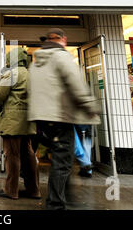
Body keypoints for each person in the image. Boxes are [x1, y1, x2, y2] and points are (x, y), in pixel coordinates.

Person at [28, 28, 100, 210]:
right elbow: (76, 85)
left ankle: (63, 197)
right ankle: (55, 204)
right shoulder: (61, 57)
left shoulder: (35, 63)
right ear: (63, 39)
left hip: (41, 120)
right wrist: (91, 106)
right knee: (62, 163)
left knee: (61, 160)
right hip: (60, 117)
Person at [0, 48, 41, 200]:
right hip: (28, 121)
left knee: (12, 155)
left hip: (13, 122)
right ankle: (34, 190)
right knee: (28, 155)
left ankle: (11, 190)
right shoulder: (31, 74)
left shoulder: (13, 73)